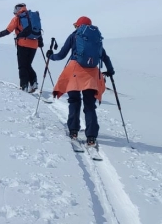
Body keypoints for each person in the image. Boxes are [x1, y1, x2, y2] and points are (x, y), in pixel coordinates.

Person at [47, 16, 115, 148]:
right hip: (91, 73)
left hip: (74, 71)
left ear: (78, 26)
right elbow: (104, 56)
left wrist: (51, 56)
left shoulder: (74, 36)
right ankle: (91, 137)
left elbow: (61, 55)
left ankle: (73, 131)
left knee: (74, 100)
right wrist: (110, 70)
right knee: (90, 105)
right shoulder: (96, 39)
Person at [0, 3, 42, 92]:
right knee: (28, 64)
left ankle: (24, 85)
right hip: (34, 44)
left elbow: (8, 31)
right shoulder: (32, 16)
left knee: (22, 66)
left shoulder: (17, 18)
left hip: (22, 44)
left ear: (17, 9)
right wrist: (40, 42)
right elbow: (38, 30)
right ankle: (33, 82)